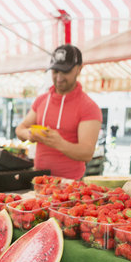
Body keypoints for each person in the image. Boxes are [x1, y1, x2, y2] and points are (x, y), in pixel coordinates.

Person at [15, 44, 102, 180]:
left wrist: (58, 143)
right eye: (55, 71)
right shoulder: (41, 100)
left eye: (65, 71)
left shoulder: (89, 107)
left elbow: (87, 153)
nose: (59, 77)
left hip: (70, 185)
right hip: (39, 180)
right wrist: (29, 134)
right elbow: (20, 129)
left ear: (79, 69)